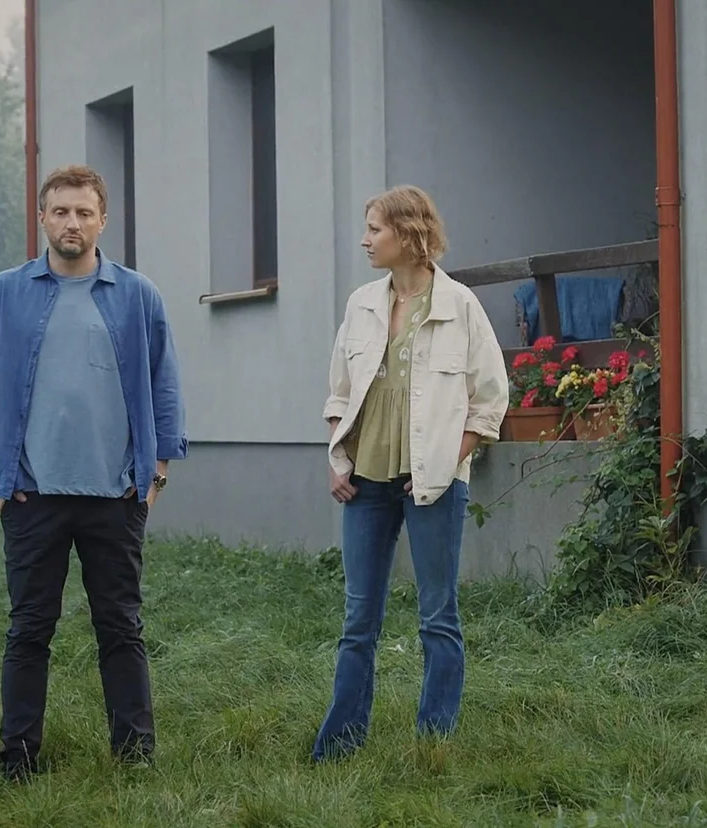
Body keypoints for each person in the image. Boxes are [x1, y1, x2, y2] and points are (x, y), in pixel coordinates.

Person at [0, 164, 188, 780]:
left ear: (102, 220)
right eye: (61, 211)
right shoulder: (5, 294)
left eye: (84, 212)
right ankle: (18, 757)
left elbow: (164, 383)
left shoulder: (137, 295)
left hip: (115, 493)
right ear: (42, 217)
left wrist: (156, 473)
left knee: (121, 626)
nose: (72, 223)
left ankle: (135, 755)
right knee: (29, 629)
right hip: (32, 493)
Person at [313, 185, 509, 761]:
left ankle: (433, 742)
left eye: (375, 228)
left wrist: (448, 463)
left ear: (407, 233)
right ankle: (340, 745)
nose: (365, 240)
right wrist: (337, 458)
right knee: (358, 621)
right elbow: (339, 393)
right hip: (365, 482)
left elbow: (490, 399)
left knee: (437, 616)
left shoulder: (460, 306)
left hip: (434, 485)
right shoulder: (361, 305)